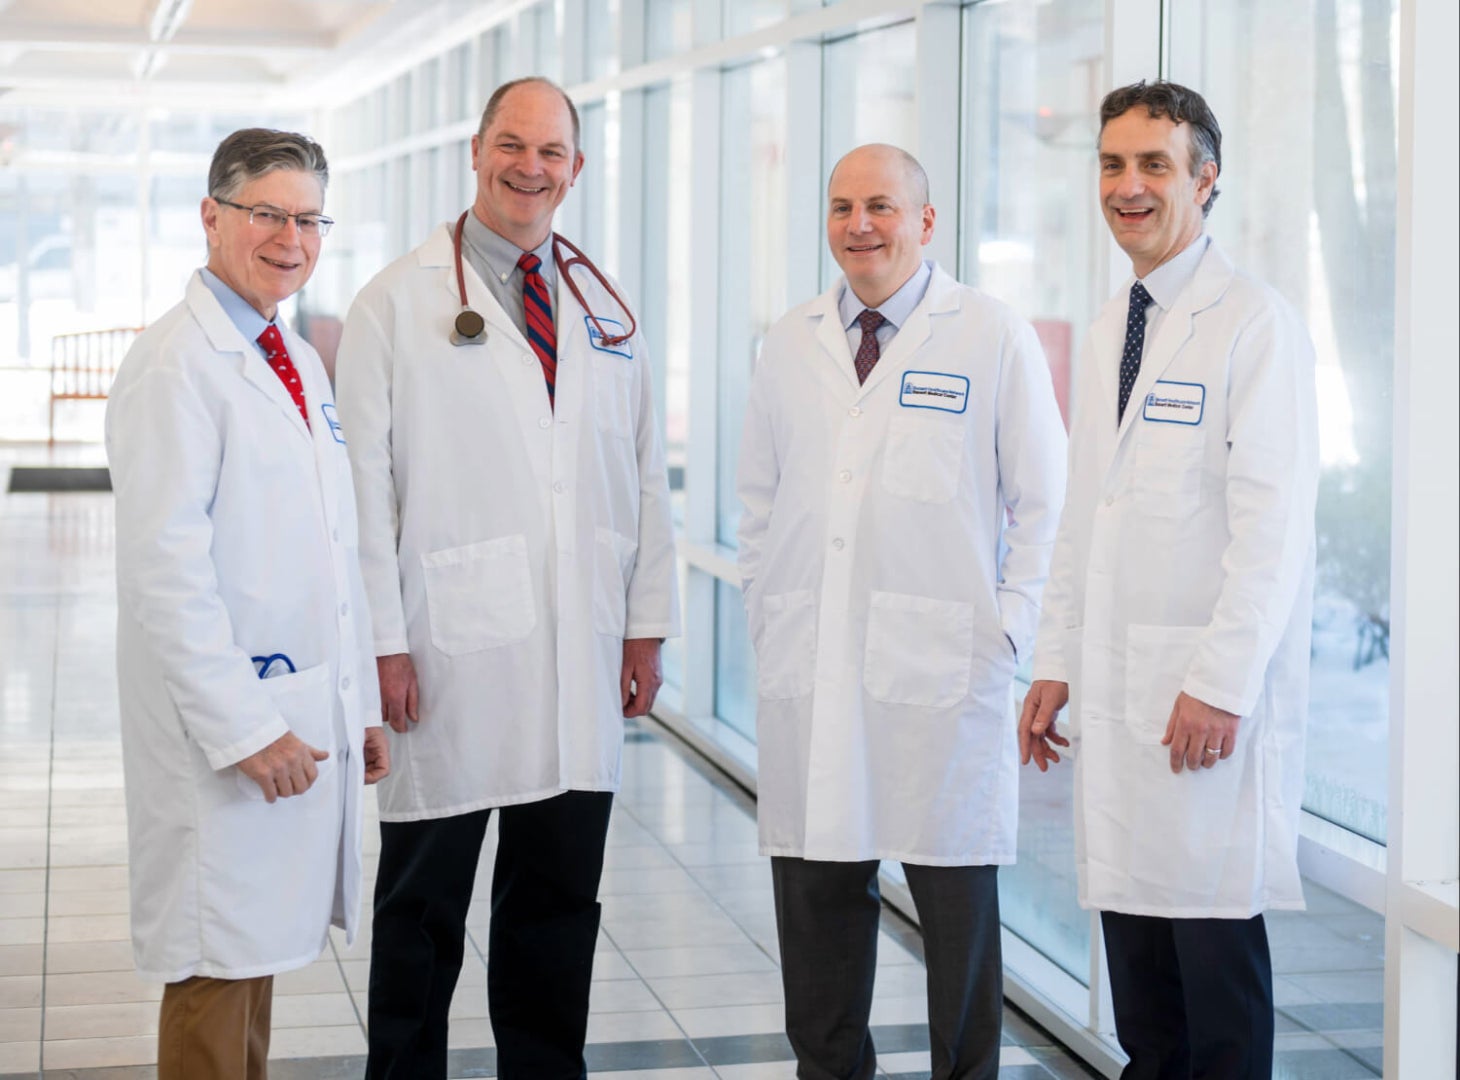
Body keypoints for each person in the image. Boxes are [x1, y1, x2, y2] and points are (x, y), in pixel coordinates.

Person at [334, 76, 679, 1080]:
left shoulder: (604, 309)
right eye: (512, 146)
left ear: (574, 168)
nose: (531, 167)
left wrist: (644, 627)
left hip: (579, 650)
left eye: (552, 152)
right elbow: (364, 493)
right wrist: (380, 645)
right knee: (423, 906)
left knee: (558, 904)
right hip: (443, 655)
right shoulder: (395, 303)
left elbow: (641, 474)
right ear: (475, 151)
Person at [735, 143, 1067, 1080]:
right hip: (814, 656)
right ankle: (829, 1069)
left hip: (945, 672)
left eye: (881, 205)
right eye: (842, 207)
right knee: (817, 901)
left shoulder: (990, 334)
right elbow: (757, 498)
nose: (860, 225)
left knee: (957, 911)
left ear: (926, 222)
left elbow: (1043, 502)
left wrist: (1010, 629)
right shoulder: (791, 339)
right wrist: (769, 605)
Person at [1019, 80, 1319, 1079]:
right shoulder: (1116, 323)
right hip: (1119, 703)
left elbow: (1269, 532)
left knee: (1216, 1001)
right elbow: (1086, 519)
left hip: (1199, 714)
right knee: (1146, 1010)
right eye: (1111, 164)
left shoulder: (1253, 324)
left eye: (1153, 165)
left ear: (1205, 178)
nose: (1127, 185)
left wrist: (1221, 681)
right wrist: (1054, 661)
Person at [106, 128, 389, 1080]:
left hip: (296, 721)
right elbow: (166, 575)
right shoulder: (174, 365)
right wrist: (242, 729)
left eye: (309, 218)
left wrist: (358, 711)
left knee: (254, 969)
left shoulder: (293, 357)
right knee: (215, 980)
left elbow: (328, 544)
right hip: (225, 743)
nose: (291, 238)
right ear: (213, 216)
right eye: (268, 214)